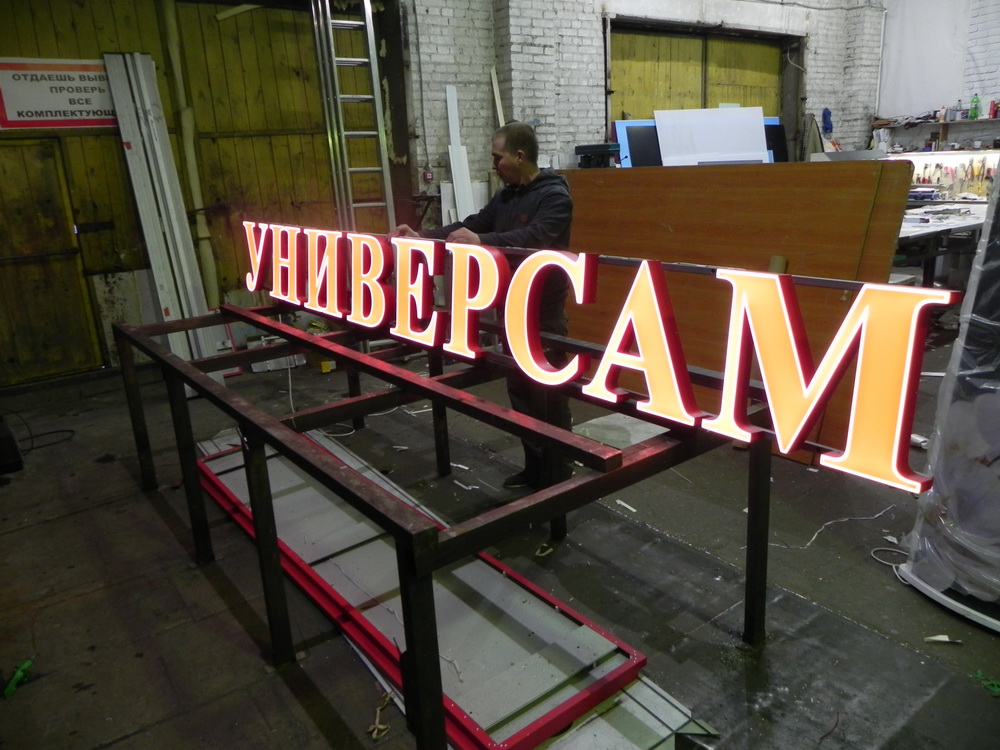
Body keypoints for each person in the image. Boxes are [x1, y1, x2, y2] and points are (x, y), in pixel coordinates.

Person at [390, 122, 573, 490]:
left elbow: (534, 237)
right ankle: (535, 468)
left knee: (547, 393)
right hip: (511, 305)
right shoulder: (506, 197)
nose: (493, 165)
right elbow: (470, 225)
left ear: (519, 156)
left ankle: (558, 472)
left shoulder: (555, 196)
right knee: (520, 390)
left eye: (497, 157)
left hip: (542, 312)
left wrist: (483, 240)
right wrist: (422, 236)